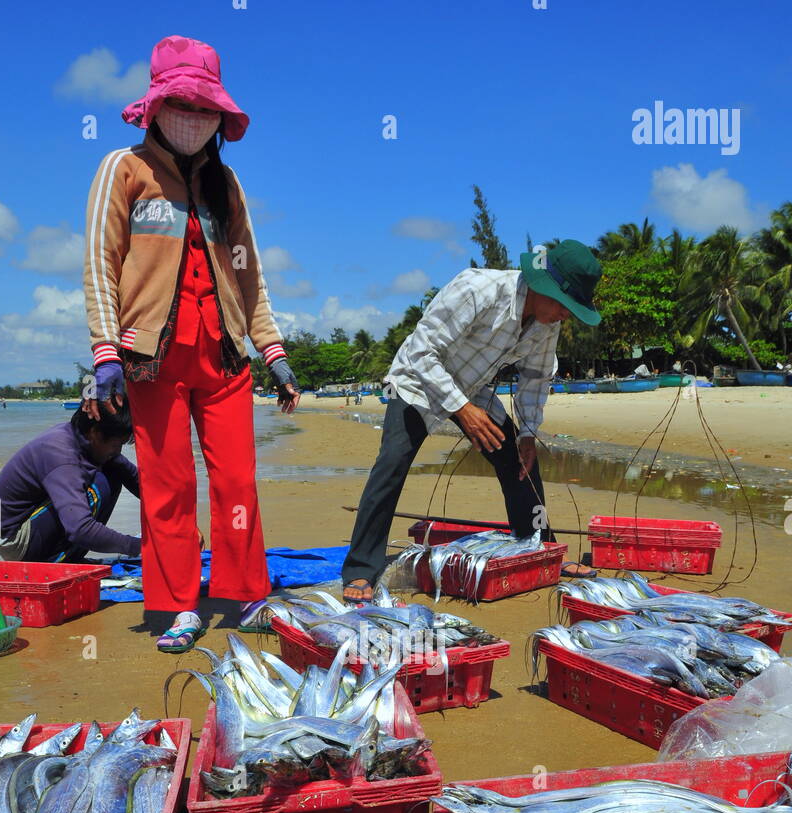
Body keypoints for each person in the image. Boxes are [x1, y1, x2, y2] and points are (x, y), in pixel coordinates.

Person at [83, 35, 300, 652]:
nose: (193, 118)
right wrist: (105, 353)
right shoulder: (123, 170)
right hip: (151, 360)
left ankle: (243, 593)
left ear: (219, 118)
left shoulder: (225, 185)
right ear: (155, 106)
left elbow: (249, 274)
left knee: (237, 481)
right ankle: (178, 603)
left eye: (205, 109)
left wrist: (275, 354)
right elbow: (100, 263)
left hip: (224, 356)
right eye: (182, 105)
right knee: (168, 484)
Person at [341, 239, 603, 602]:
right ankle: (360, 569)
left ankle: (541, 550)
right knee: (392, 464)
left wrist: (527, 434)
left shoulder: (547, 323)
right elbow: (421, 350)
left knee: (520, 463)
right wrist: (461, 409)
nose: (566, 316)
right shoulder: (477, 289)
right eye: (565, 305)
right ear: (543, 287)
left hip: (473, 389)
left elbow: (535, 379)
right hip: (418, 381)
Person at [0, 404, 141, 563]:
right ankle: (54, 562)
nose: (118, 451)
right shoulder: (62, 455)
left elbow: (135, 479)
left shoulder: (85, 438)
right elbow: (81, 529)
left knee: (114, 472)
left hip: (34, 521)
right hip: (14, 540)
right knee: (100, 485)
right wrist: (138, 546)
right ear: (95, 433)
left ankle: (68, 556)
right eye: (116, 445)